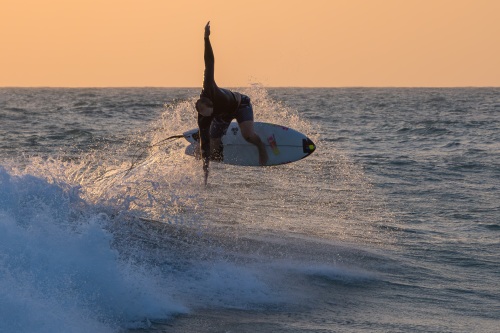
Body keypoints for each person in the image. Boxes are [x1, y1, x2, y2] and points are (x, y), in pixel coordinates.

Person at [195, 21, 268, 185]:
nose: (208, 116)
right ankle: (216, 157)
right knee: (211, 144)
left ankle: (260, 146)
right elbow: (204, 143)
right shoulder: (203, 119)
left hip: (240, 105)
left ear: (210, 103)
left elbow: (209, 61)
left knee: (247, 135)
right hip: (224, 115)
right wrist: (205, 176)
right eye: (207, 115)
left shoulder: (208, 86)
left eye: (210, 111)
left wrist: (206, 38)